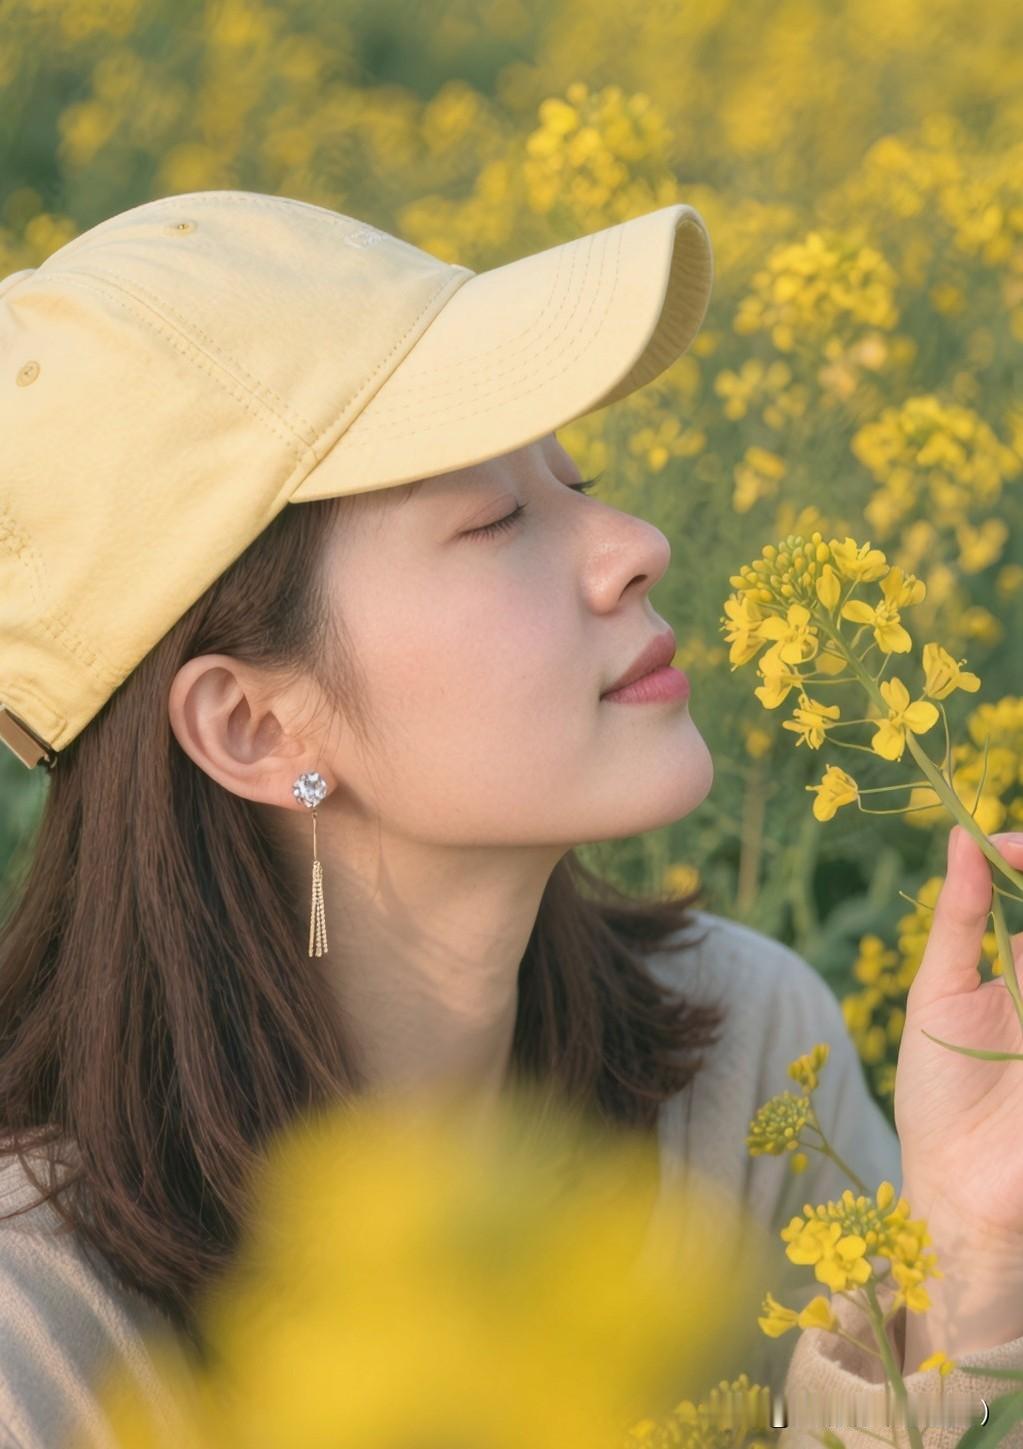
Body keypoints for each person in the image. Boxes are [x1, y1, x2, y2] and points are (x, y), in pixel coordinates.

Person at [0, 190, 1020, 1449]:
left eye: (576, 478)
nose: (635, 544)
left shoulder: (746, 1058)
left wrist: (970, 1258)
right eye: (491, 521)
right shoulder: (34, 1338)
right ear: (256, 729)